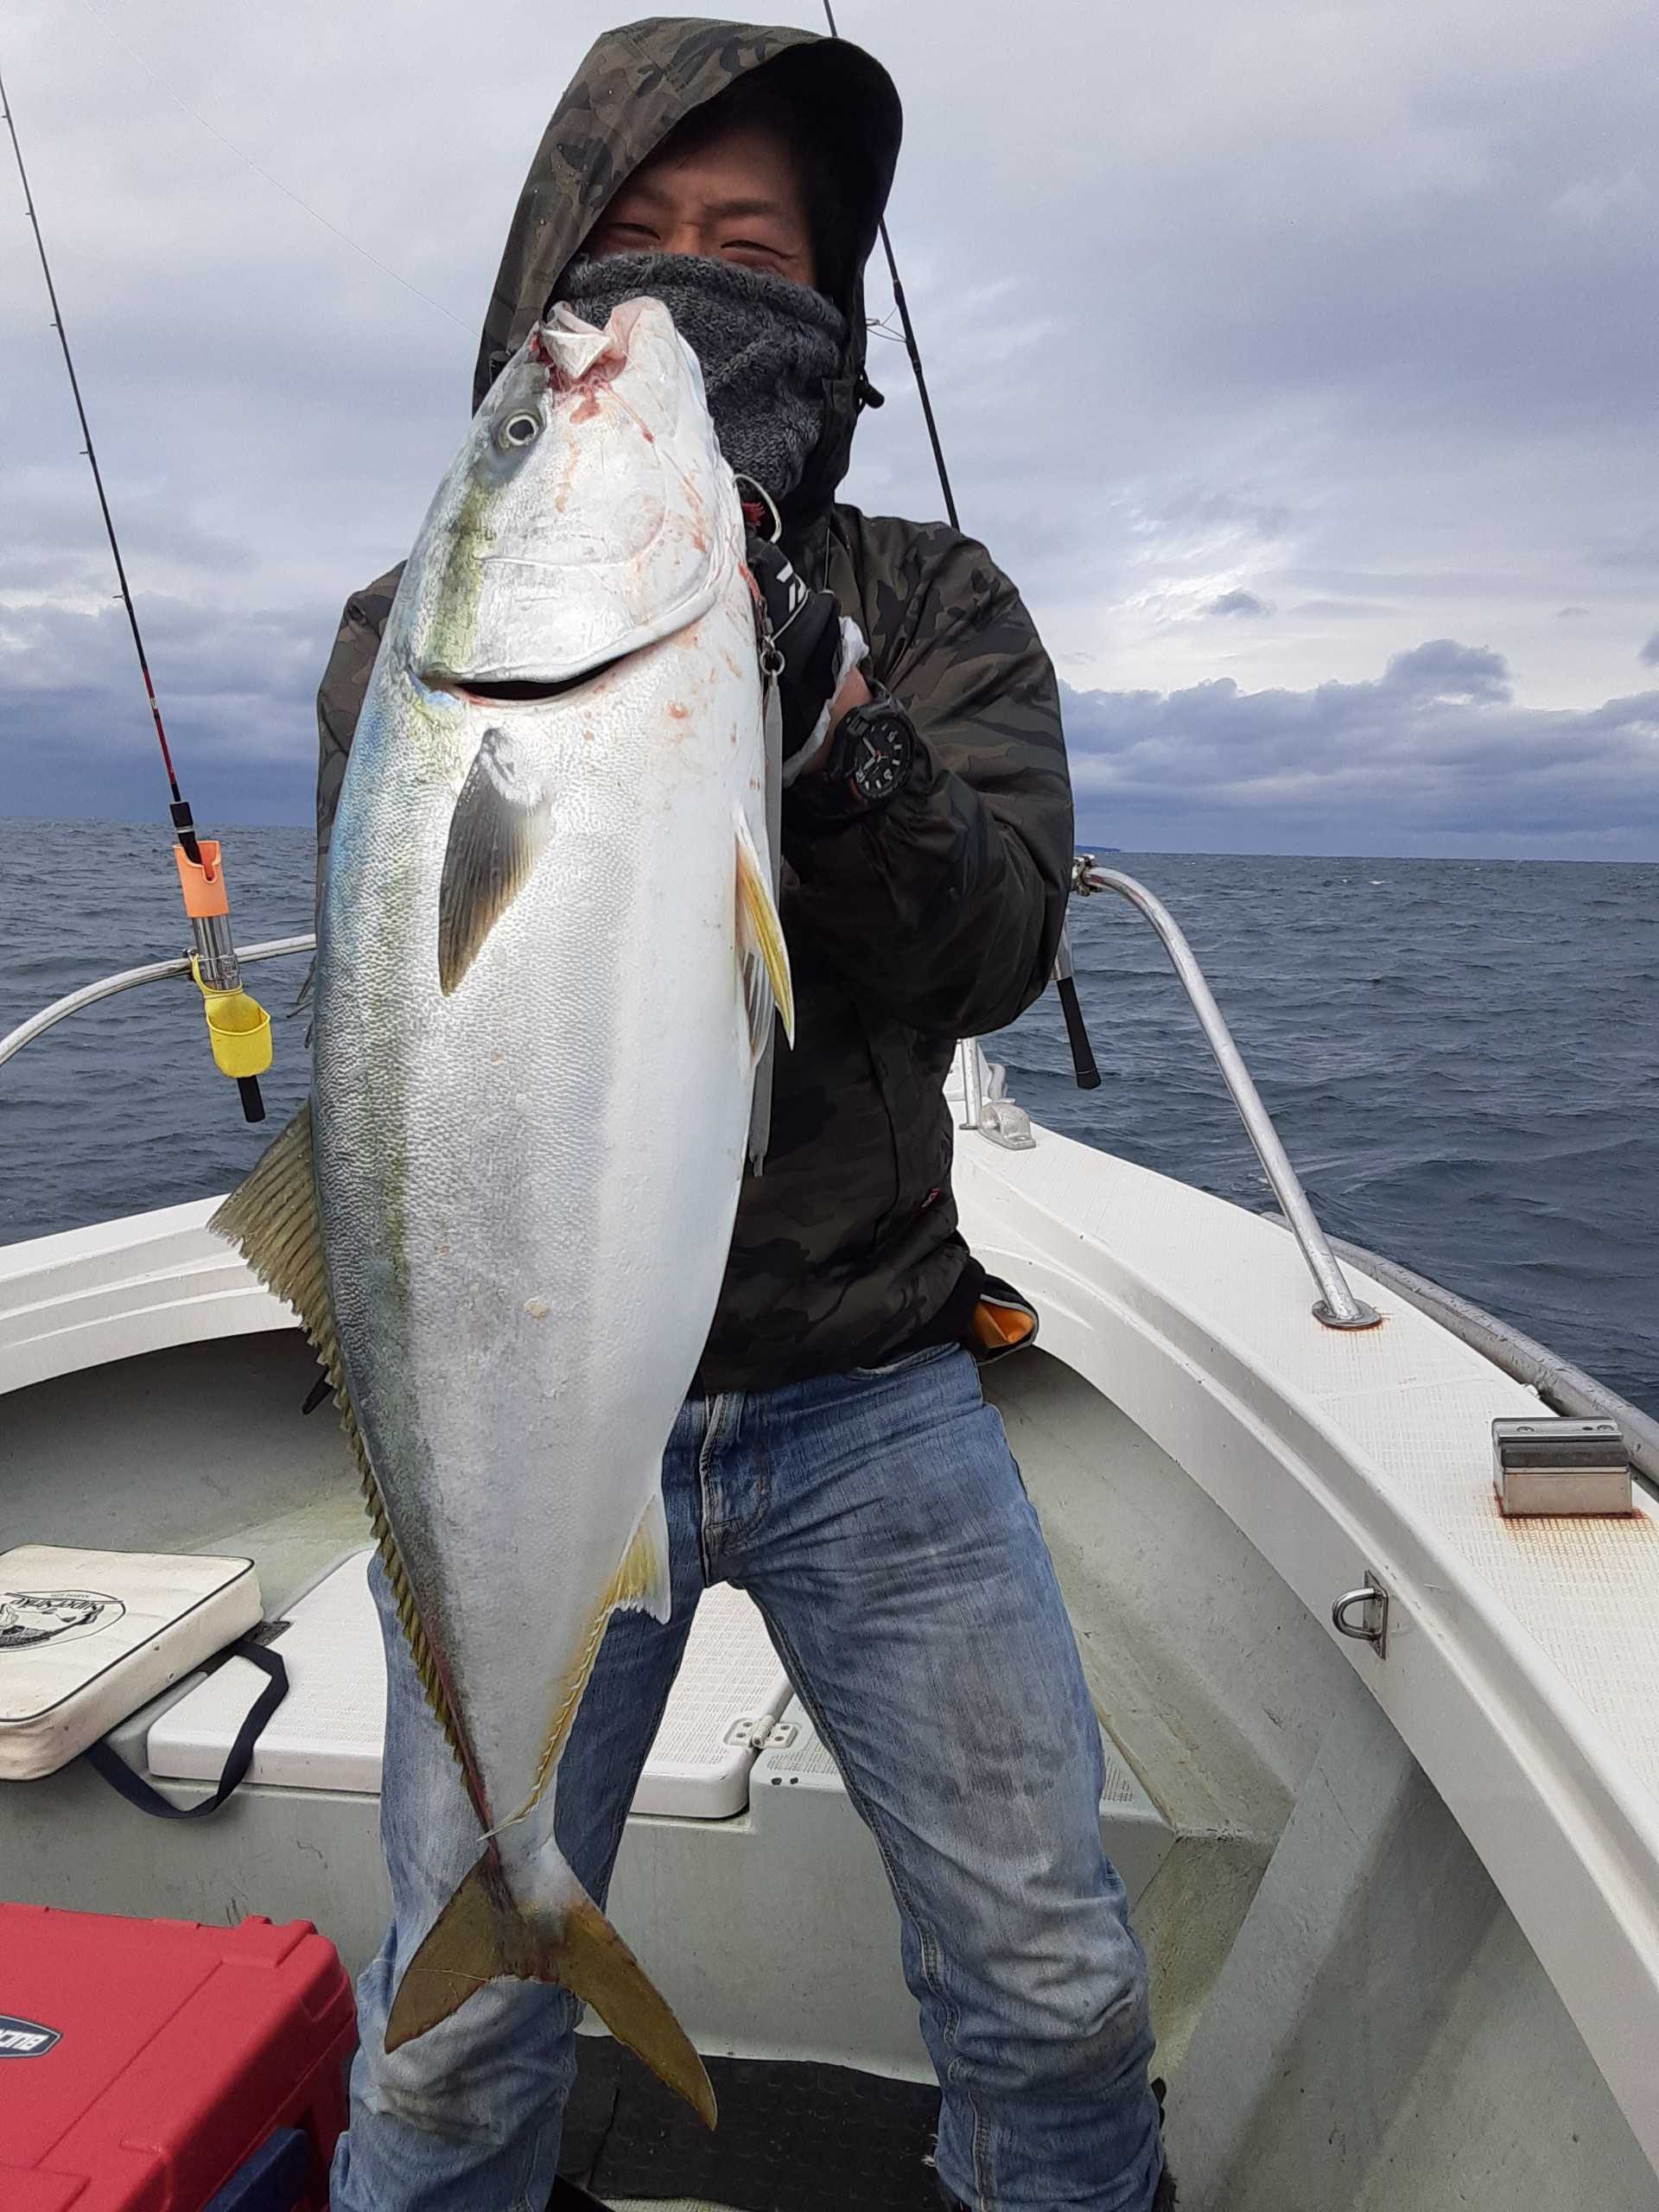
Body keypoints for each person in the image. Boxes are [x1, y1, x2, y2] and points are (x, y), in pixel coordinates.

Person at [317, 19, 1173, 2211]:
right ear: (546, 285)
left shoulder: (931, 606)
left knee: (1057, 1980)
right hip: (517, 1416)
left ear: (829, 286)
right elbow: (430, 1056)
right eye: (633, 240)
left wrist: (838, 745)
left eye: (748, 239)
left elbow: (995, 951)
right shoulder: (416, 633)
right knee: (443, 2039)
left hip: (868, 1379)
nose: (680, 287)